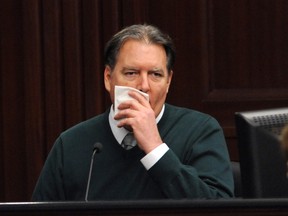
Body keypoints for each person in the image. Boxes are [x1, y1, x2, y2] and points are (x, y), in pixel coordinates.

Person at [32, 24, 234, 201]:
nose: (143, 86)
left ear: (168, 82)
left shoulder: (200, 131)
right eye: (131, 73)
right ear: (108, 78)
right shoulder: (71, 144)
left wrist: (155, 148)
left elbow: (218, 207)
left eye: (155, 74)